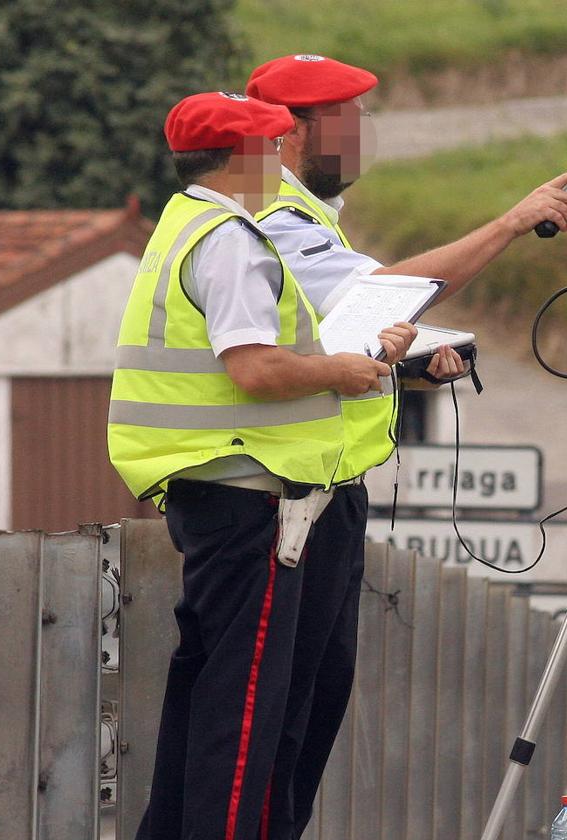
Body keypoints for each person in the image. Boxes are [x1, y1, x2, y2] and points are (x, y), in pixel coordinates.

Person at [240, 54, 567, 837]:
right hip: (283, 500)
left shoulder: (306, 215)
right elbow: (388, 291)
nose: (361, 138)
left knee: (311, 709)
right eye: (347, 121)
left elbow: (346, 334)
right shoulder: (275, 219)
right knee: (282, 721)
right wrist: (507, 223)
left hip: (323, 491)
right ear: (294, 133)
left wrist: (410, 363)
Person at [107, 91, 416, 840]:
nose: (282, 159)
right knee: (247, 707)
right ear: (244, 157)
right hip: (251, 497)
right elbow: (252, 367)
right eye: (273, 145)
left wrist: (354, 356)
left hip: (210, 490)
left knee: (209, 695)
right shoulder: (234, 238)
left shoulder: (185, 223)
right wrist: (341, 372)